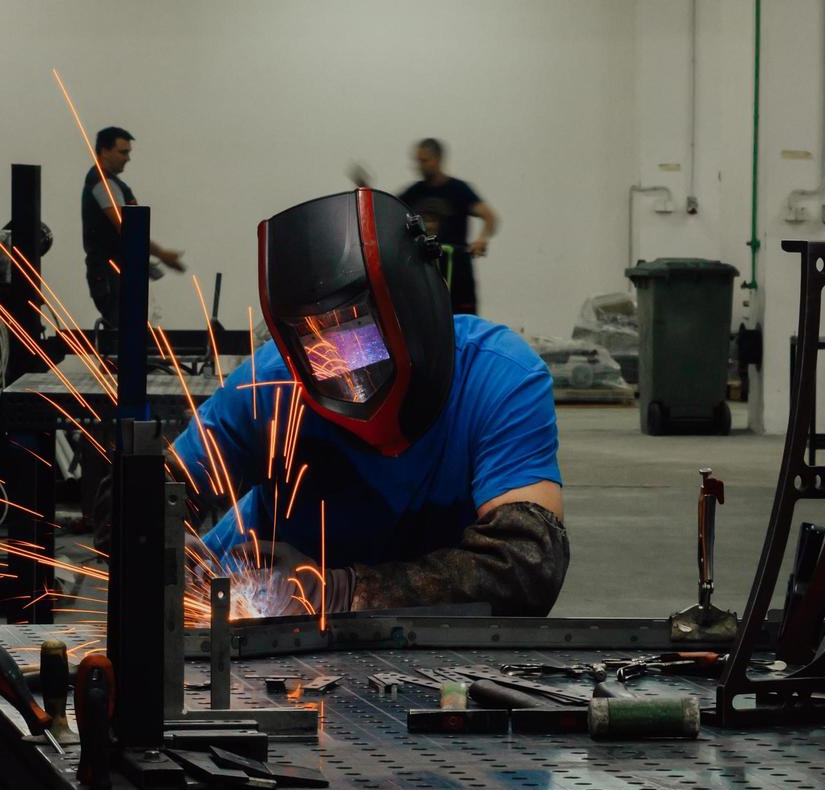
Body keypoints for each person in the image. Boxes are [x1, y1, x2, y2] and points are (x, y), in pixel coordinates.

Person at [172, 188, 566, 617]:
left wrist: (345, 592)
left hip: (416, 639)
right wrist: (153, 536)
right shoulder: (271, 384)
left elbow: (526, 566)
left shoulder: (499, 377)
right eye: (314, 342)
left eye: (356, 335)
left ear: (413, 306)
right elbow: (157, 489)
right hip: (257, 608)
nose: (340, 363)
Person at [353, 137, 498, 314]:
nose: (419, 166)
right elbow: (387, 210)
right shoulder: (414, 193)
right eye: (417, 161)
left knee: (462, 326)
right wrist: (367, 189)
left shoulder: (459, 190)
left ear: (437, 159)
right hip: (426, 273)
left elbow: (490, 217)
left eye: (424, 161)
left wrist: (482, 239)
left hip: (456, 271)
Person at [81, 126, 186, 324]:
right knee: (127, 335)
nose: (127, 158)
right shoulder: (102, 183)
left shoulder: (110, 183)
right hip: (110, 274)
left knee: (133, 331)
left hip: (117, 273)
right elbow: (127, 228)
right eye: (123, 152)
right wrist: (162, 254)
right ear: (104, 151)